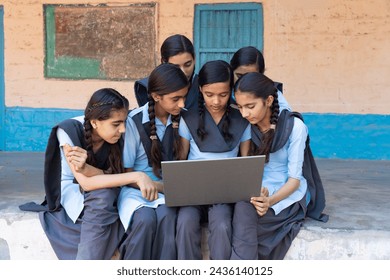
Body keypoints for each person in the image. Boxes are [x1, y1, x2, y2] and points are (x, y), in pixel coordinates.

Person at [35, 88, 147, 260]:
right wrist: (136, 177)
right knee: (103, 196)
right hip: (72, 188)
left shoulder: (120, 134)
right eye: (116, 124)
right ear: (95, 123)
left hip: (110, 186)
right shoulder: (68, 131)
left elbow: (107, 176)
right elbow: (85, 183)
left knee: (116, 199)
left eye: (123, 122)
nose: (123, 129)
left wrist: (93, 171)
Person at [230, 72, 327, 260]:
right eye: (240, 107)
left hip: (285, 194)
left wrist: (270, 201)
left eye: (250, 106)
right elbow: (244, 168)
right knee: (233, 215)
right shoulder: (247, 125)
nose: (244, 113)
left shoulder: (295, 127)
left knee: (244, 219)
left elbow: (294, 180)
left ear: (268, 100)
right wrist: (257, 191)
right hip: (257, 189)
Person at [175, 60, 251, 260]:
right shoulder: (188, 118)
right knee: (185, 222)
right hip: (192, 192)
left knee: (223, 224)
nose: (216, 101)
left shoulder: (242, 119)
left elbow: (246, 163)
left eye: (223, 95)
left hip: (224, 194)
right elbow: (181, 161)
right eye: (209, 95)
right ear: (200, 90)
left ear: (231, 91)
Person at [117, 63, 190, 259]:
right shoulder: (133, 121)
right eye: (176, 99)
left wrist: (162, 187)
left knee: (168, 216)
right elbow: (126, 172)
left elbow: (183, 164)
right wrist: (149, 184)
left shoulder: (184, 120)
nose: (182, 104)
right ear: (157, 96)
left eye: (184, 97)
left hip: (169, 191)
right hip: (136, 191)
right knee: (144, 220)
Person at [134, 34, 198, 110]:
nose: (183, 72)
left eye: (188, 65)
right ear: (163, 62)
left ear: (194, 60)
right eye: (176, 67)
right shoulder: (147, 87)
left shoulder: (203, 86)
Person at [230, 46, 291, 112]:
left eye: (251, 77)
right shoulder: (223, 92)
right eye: (239, 76)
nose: (245, 82)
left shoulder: (275, 95)